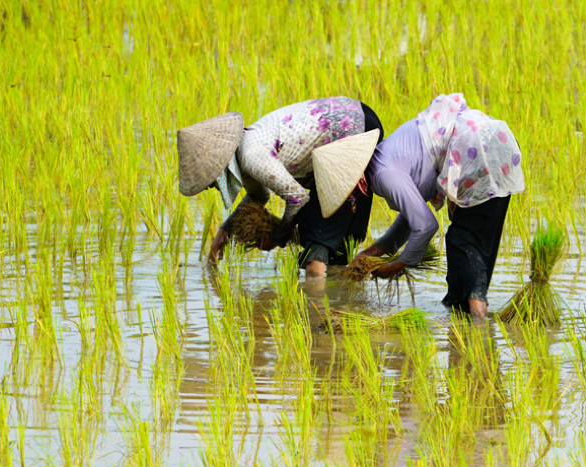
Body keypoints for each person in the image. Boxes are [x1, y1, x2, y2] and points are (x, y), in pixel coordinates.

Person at [353, 93, 525, 319]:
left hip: (475, 146)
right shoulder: (386, 155)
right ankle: (469, 317)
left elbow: (424, 225)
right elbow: (412, 217)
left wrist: (398, 265)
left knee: (463, 241)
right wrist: (372, 253)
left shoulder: (383, 174)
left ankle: (478, 319)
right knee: (478, 245)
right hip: (496, 140)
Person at [180, 97, 384, 277]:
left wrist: (276, 237)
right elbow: (258, 198)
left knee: (316, 237)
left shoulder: (252, 156)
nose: (211, 187)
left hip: (353, 130)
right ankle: (339, 299)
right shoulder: (244, 151)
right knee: (338, 249)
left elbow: (297, 198)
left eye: (209, 181)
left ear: (219, 166)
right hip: (354, 114)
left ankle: (317, 307)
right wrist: (221, 238)